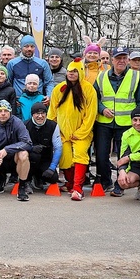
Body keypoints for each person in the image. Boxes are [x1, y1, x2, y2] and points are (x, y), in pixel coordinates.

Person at [93, 47, 140, 196]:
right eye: (118, 58)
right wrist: (102, 109)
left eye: (124, 58)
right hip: (104, 122)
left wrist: (138, 120)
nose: (121, 61)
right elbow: (94, 98)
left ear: (128, 60)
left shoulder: (135, 76)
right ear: (112, 60)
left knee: (123, 156)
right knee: (101, 155)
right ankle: (105, 181)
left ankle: (120, 184)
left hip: (126, 124)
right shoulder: (101, 76)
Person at [47, 58, 97, 201]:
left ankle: (77, 188)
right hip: (62, 133)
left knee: (80, 154)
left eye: (75, 71)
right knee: (64, 156)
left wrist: (80, 132)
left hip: (82, 133)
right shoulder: (59, 88)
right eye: (69, 71)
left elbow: (90, 115)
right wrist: (55, 131)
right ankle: (70, 183)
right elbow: (52, 113)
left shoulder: (88, 89)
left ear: (80, 72)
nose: (71, 74)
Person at [0, 100, 33, 201]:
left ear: (10, 112)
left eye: (6, 111)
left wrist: (7, 150)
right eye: (0, 111)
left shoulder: (17, 123)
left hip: (15, 159)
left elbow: (27, 143)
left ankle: (22, 186)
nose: (3, 113)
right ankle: (1, 178)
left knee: (24, 154)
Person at [23, 102, 62, 195]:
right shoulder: (25, 125)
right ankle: (26, 180)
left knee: (53, 178)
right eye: (37, 113)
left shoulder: (53, 125)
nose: (40, 116)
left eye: (43, 113)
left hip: (45, 159)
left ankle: (38, 177)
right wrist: (31, 148)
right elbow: (20, 145)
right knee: (34, 156)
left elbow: (58, 148)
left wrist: (52, 168)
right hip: (30, 159)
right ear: (32, 114)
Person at [7, 35, 53, 102]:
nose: (29, 49)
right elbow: (8, 82)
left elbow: (49, 82)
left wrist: (49, 95)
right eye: (26, 46)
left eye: (32, 46)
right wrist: (11, 98)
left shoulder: (43, 63)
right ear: (21, 47)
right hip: (19, 102)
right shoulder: (12, 64)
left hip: (38, 101)